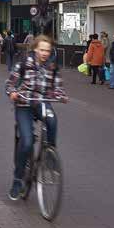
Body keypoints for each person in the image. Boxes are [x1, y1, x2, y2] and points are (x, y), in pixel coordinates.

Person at [5, 35, 68, 201]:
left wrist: (60, 95)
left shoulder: (53, 65)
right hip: (24, 104)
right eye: (42, 50)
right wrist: (12, 92)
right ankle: (18, 179)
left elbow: (58, 86)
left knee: (52, 119)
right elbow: (10, 82)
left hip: (41, 103)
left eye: (48, 50)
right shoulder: (24, 62)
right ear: (35, 49)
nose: (45, 53)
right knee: (26, 141)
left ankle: (49, 157)